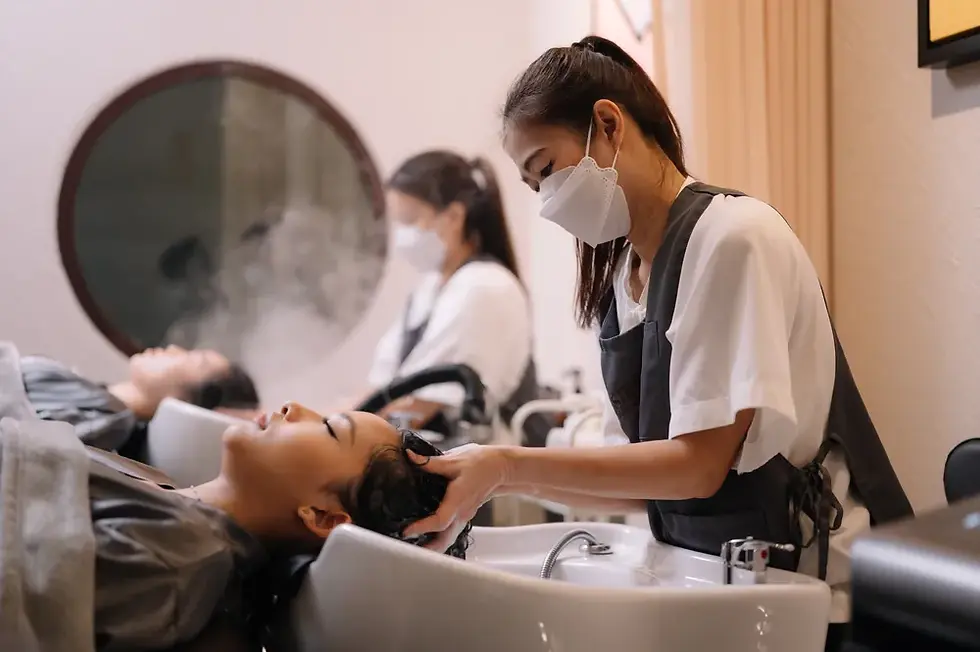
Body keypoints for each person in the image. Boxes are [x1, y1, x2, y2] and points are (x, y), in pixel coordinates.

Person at [402, 36, 913, 652]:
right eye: (531, 184)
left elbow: (697, 464)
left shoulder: (731, 238)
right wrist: (495, 480)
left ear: (608, 123)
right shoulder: (626, 278)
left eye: (545, 169)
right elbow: (645, 476)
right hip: (718, 578)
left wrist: (507, 463)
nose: (545, 202)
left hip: (815, 595)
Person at [1, 354, 469, 652]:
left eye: (328, 428)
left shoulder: (174, 563)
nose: (293, 408)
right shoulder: (167, 499)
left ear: (323, 515)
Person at [366, 151, 546, 446]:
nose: (401, 234)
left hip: (480, 470)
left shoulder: (484, 287)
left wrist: (326, 428)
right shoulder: (430, 288)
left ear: (453, 217)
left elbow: (417, 407)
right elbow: (381, 393)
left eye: (410, 219)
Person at [21, 344, 260, 458]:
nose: (175, 348)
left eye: (195, 361)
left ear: (189, 406)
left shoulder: (106, 422)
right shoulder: (99, 402)